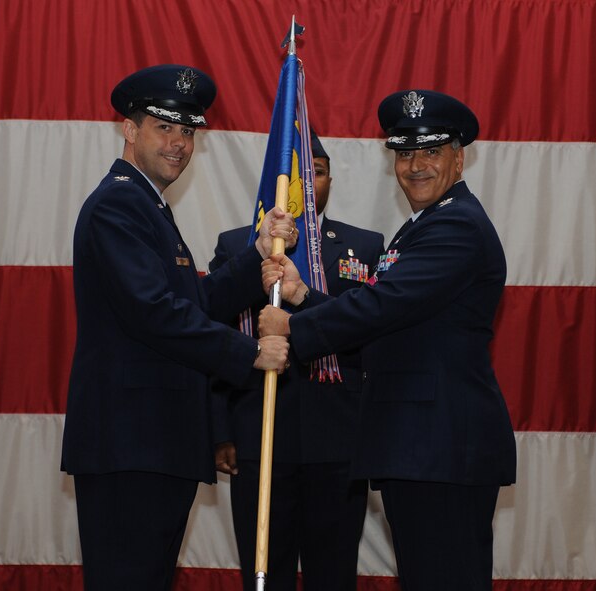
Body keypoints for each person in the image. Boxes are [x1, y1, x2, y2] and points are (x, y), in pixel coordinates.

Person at [258, 90, 517, 591]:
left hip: (440, 448)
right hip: (421, 448)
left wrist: (292, 325)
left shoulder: (457, 226)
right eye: (403, 153)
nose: (415, 165)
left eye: (430, 151)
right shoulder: (424, 226)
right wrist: (303, 295)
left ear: (458, 157)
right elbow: (386, 325)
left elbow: (383, 305)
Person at [60, 64, 297, 591]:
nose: (178, 143)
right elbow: (156, 311)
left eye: (188, 131)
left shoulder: (147, 205)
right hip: (131, 444)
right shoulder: (119, 203)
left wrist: (255, 258)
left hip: (153, 443)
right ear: (129, 128)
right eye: (164, 127)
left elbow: (193, 299)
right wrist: (249, 352)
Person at [210, 131, 384, 591]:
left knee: (334, 573)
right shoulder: (237, 247)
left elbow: (368, 333)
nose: (306, 184)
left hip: (339, 438)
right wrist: (221, 431)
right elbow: (213, 336)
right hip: (258, 435)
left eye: (318, 173)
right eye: (297, 176)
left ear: (329, 182)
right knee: (266, 572)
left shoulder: (364, 247)